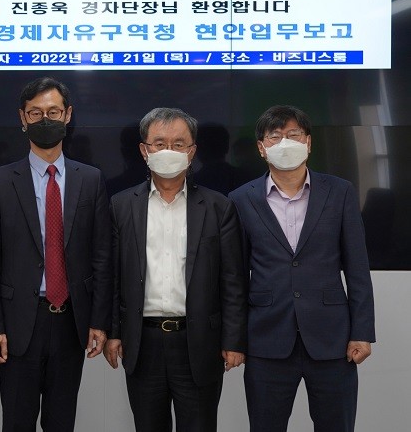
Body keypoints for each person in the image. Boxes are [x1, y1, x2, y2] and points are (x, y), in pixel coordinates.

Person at [0, 76, 112, 432]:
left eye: (53, 111)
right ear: (23, 118)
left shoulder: (91, 179)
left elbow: (101, 256)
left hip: (71, 321)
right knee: (17, 421)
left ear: (68, 115)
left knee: (61, 421)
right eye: (35, 113)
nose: (45, 119)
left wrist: (99, 320)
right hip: (19, 321)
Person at [228, 105, 375, 432]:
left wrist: (362, 331)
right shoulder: (240, 199)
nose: (285, 143)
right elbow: (235, 278)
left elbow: (357, 268)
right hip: (266, 340)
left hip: (332, 340)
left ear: (308, 142)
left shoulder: (339, 192)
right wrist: (234, 339)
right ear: (261, 147)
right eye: (275, 136)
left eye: (293, 135)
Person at [103, 107, 248, 432]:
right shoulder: (121, 206)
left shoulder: (218, 207)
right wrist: (113, 332)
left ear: (192, 151)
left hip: (199, 342)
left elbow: (233, 280)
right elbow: (112, 276)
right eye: (159, 143)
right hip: (142, 342)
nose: (168, 151)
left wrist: (234, 339)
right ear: (144, 150)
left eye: (178, 144)